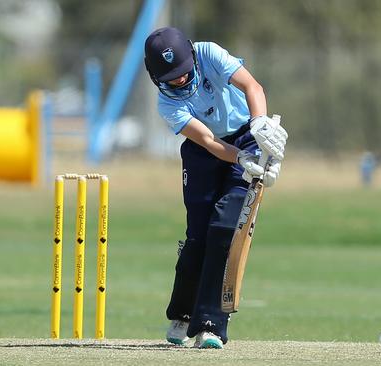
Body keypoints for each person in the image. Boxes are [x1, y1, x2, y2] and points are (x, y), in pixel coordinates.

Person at [143, 27, 288, 349]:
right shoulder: (167, 105)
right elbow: (208, 140)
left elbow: (252, 86)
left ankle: (210, 325)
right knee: (198, 236)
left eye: (182, 72)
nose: (179, 80)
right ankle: (182, 313)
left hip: (246, 133)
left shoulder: (208, 52)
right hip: (205, 153)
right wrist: (243, 159)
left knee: (224, 230)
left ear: (192, 57)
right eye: (170, 76)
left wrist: (260, 126)